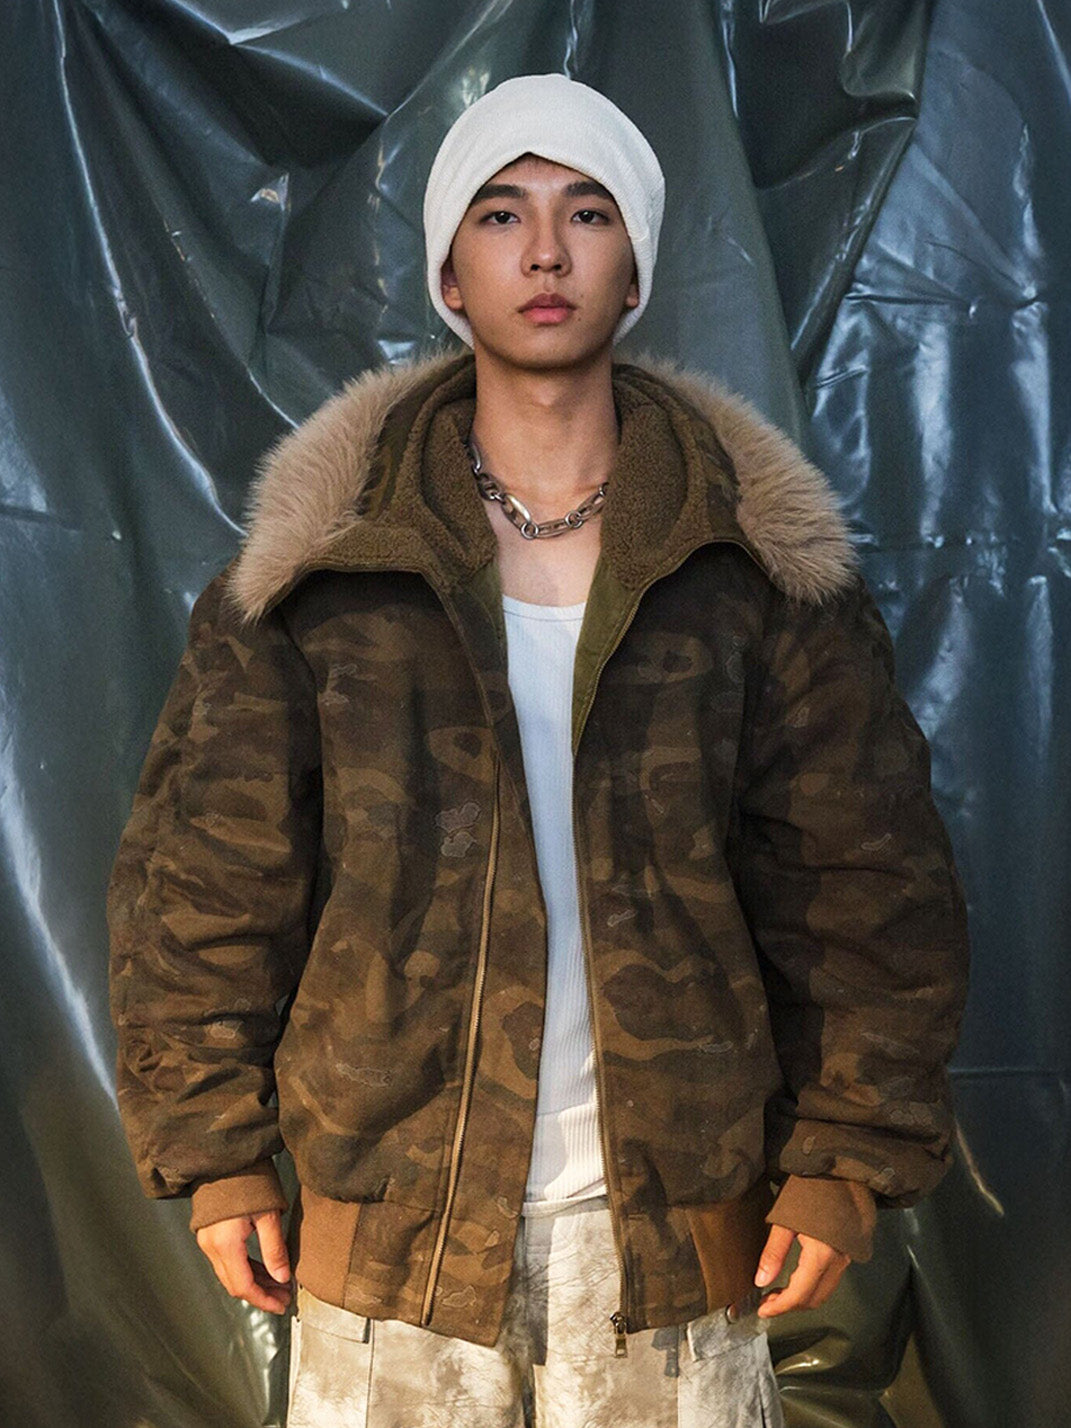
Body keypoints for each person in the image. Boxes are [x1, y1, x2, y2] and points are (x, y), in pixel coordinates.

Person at [107, 73, 970, 1427]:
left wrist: (847, 1154)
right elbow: (205, 876)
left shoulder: (753, 570)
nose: (549, 252)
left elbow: (868, 883)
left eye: (590, 213)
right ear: (451, 274)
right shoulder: (325, 572)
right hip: (389, 1232)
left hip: (676, 1233)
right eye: (503, 214)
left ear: (637, 269)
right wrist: (215, 1149)